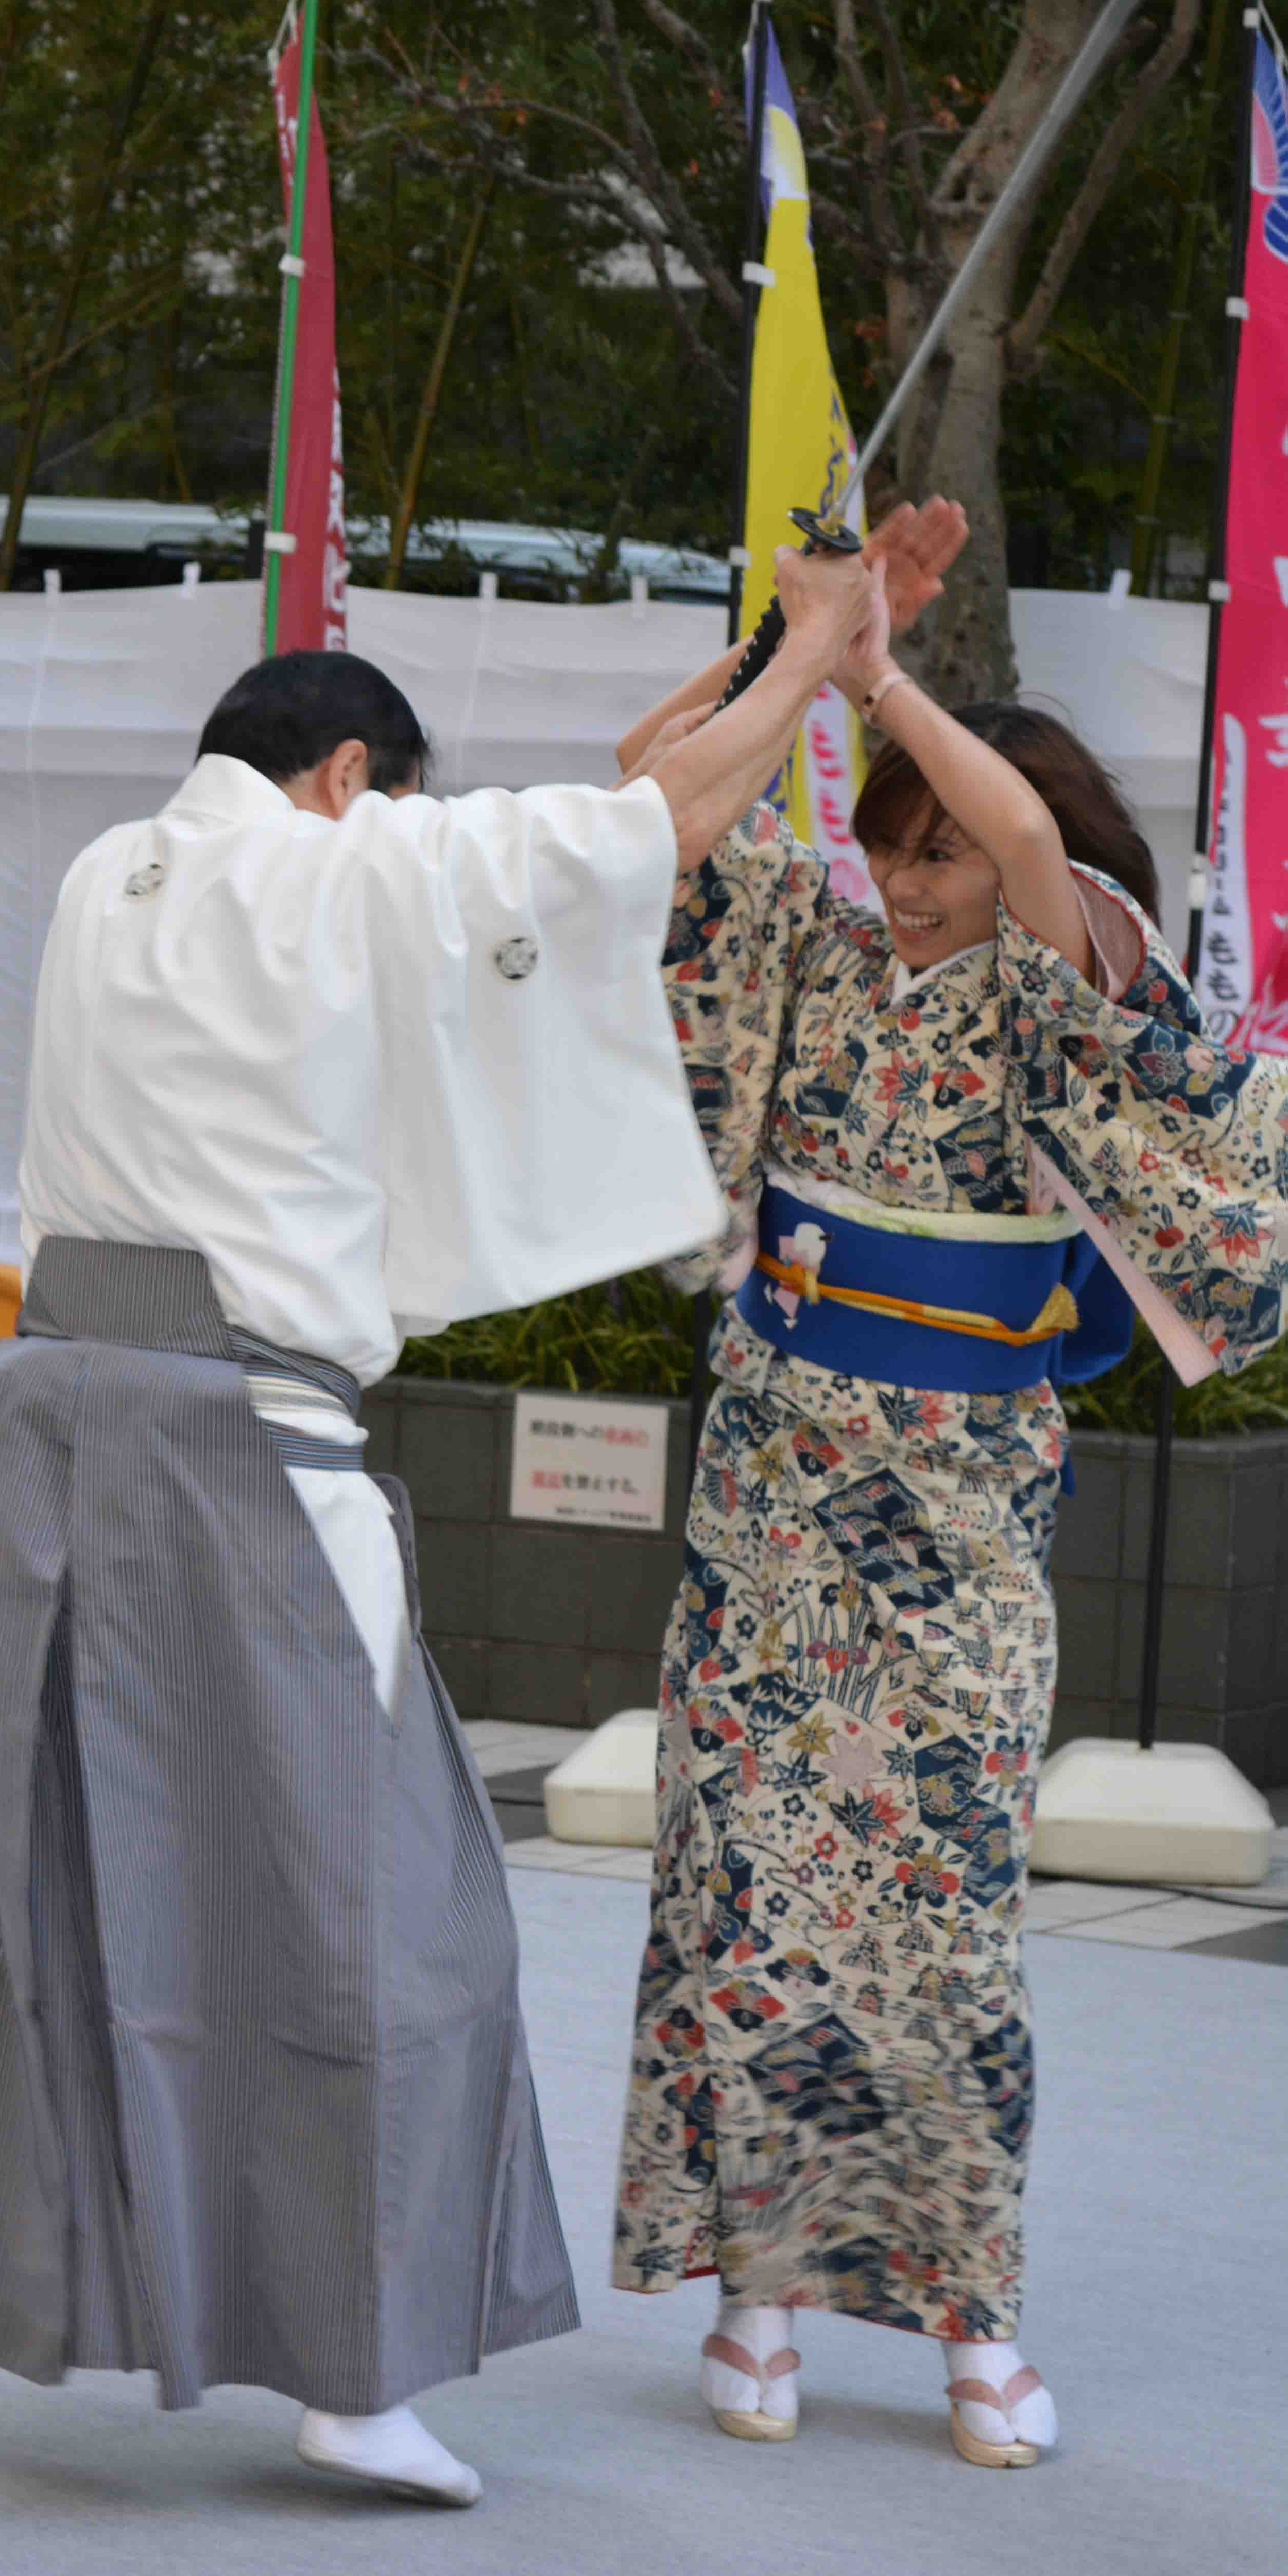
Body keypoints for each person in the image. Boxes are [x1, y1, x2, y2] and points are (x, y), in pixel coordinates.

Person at [0, 580, 898, 2507]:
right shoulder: (348, 871)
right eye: (398, 793)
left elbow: (597, 819)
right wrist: (819, 663)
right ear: (346, 776)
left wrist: (762, 668)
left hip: (40, 1433)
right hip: (247, 1453)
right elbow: (641, 828)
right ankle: (351, 2376)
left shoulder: (106, 876)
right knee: (395, 1913)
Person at [611, 528, 1288, 2467]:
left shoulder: (1064, 979)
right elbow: (645, 802)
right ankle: (756, 2293)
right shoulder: (810, 950)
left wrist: (883, 681)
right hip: (773, 1482)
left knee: (949, 1917)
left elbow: (1036, 842)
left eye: (941, 852)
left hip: (968, 1508)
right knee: (750, 1887)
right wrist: (789, 640)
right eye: (889, 846)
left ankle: (976, 2312)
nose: (910, 883)